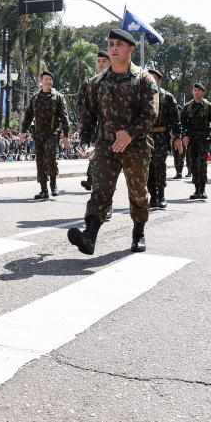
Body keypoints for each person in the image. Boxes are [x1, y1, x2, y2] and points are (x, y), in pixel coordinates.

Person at [68, 29, 158, 254]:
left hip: (135, 145)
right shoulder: (97, 81)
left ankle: (138, 231)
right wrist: (85, 141)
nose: (114, 48)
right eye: (111, 44)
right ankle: (89, 235)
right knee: (100, 191)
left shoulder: (144, 79)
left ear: (131, 49)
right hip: (106, 145)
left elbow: (151, 113)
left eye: (119, 44)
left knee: (137, 192)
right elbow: (88, 113)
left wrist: (130, 132)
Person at [20, 70, 70, 199]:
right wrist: (23, 131)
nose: (48, 81)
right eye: (46, 79)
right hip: (38, 134)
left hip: (52, 133)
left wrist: (66, 135)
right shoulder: (35, 97)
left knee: (51, 158)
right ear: (41, 81)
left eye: (50, 79)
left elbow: (64, 116)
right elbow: (28, 115)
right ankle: (43, 189)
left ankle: (53, 184)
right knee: (40, 161)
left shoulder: (58, 97)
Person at [146, 68, 183, 209]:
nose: (151, 80)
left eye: (154, 78)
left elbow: (175, 120)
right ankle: (153, 196)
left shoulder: (167, 97)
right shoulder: (142, 96)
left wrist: (178, 137)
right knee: (148, 167)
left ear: (159, 81)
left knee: (159, 166)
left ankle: (161, 195)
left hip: (161, 137)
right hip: (146, 137)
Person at [181, 83, 211, 199]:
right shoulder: (187, 107)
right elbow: (181, 124)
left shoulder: (209, 107)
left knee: (201, 162)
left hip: (204, 139)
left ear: (203, 92)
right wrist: (184, 135)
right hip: (192, 139)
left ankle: (202, 189)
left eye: (199, 90)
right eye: (194, 90)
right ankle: (196, 189)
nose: (196, 92)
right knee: (193, 163)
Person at [78, 51, 111, 191]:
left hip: (109, 127)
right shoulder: (88, 83)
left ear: (110, 63)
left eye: (104, 60)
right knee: (93, 152)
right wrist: (85, 123)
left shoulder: (114, 81)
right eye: (99, 61)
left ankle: (94, 181)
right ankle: (91, 180)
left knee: (104, 156)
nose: (101, 63)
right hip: (94, 125)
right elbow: (81, 105)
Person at [173, 106, 185, 179]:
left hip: (182, 140)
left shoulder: (183, 120)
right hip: (174, 139)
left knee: (181, 156)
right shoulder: (173, 119)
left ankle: (179, 171)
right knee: (175, 156)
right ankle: (177, 171)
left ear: (180, 111)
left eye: (178, 110)